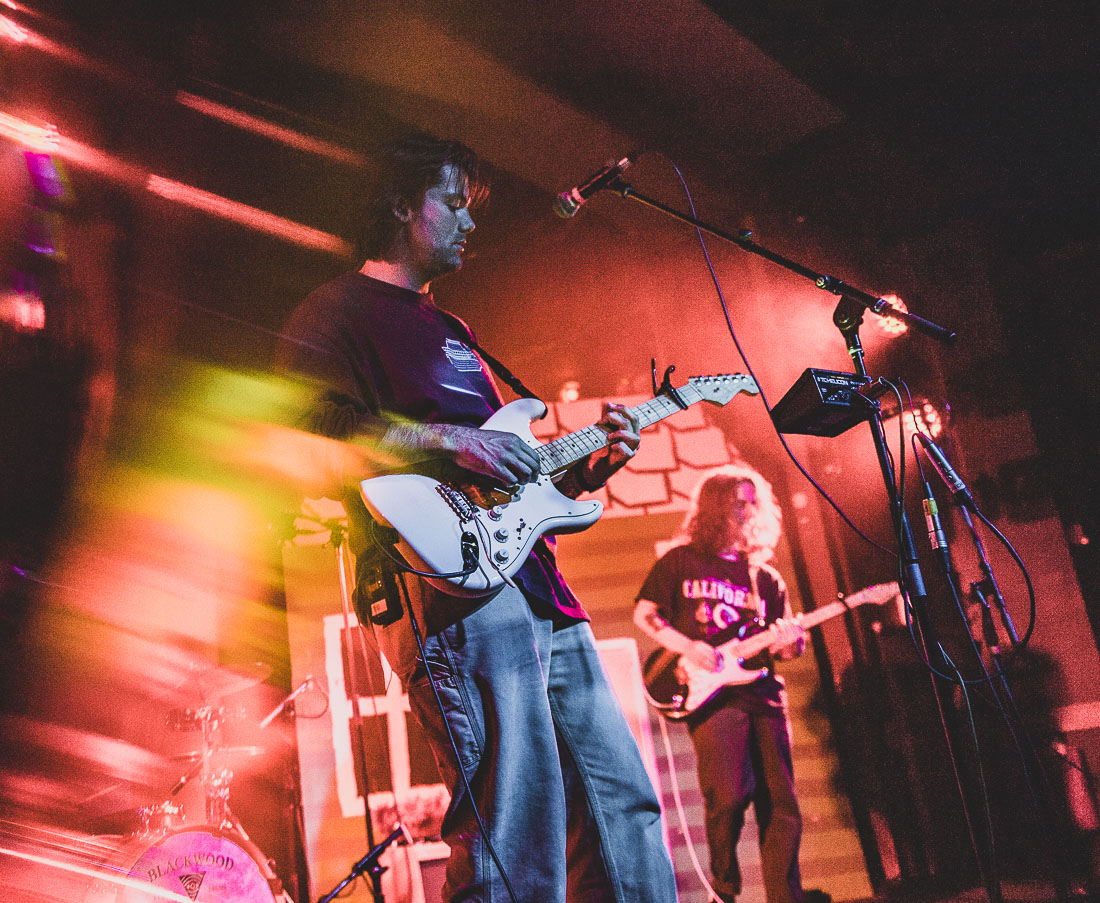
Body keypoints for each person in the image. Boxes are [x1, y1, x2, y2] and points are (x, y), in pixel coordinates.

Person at [277, 134, 677, 903]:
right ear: (401, 204)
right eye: (453, 202)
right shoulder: (334, 313)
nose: (469, 222)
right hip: (449, 588)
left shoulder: (455, 331)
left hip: (538, 586)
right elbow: (313, 431)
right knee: (513, 829)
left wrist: (590, 463)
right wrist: (448, 438)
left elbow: (515, 463)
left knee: (621, 807)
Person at [634, 463, 825, 903]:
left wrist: (790, 643)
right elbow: (645, 614)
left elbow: (787, 650)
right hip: (715, 699)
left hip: (764, 694)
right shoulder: (681, 561)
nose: (746, 510)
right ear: (716, 507)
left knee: (782, 804)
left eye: (751, 501)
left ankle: (785, 897)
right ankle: (723, 890)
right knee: (729, 798)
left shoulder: (765, 577)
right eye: (738, 502)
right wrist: (687, 647)